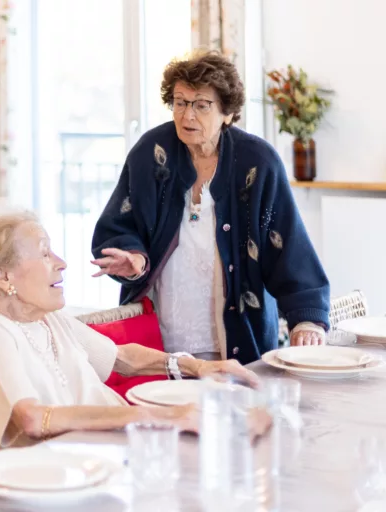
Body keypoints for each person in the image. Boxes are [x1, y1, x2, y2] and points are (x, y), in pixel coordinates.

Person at [91, 50, 330, 365]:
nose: (187, 116)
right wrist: (134, 256)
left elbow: (287, 243)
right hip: (160, 339)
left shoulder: (258, 162)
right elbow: (121, 223)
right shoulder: (151, 152)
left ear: (227, 113)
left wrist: (307, 319)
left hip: (236, 339)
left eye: (201, 105)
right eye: (180, 102)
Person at [0, 210, 270, 451]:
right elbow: (32, 418)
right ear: (1, 275)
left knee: (244, 433)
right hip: (61, 476)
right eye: (44, 253)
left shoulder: (49, 319)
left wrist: (199, 367)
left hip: (110, 452)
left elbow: (122, 357)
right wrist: (152, 417)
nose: (61, 263)